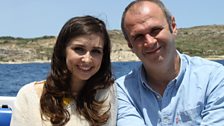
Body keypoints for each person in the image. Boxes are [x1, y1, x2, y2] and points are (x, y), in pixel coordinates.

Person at [116, 0, 224, 125]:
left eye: (155, 30)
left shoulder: (214, 79)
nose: (150, 42)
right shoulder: (123, 92)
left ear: (173, 26)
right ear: (130, 45)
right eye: (139, 36)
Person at [10, 15, 117, 126]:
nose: (87, 59)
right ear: (62, 50)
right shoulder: (28, 96)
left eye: (96, 51)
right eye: (79, 49)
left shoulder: (107, 93)